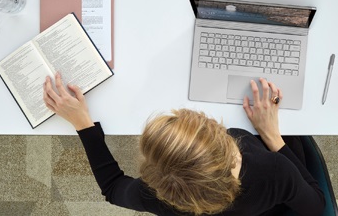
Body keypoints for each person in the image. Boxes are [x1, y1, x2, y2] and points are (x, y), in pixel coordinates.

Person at [43, 73, 325, 216]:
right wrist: (272, 136)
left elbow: (113, 188)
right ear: (230, 151)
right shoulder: (273, 170)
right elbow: (316, 206)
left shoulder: (162, 194)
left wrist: (84, 125)